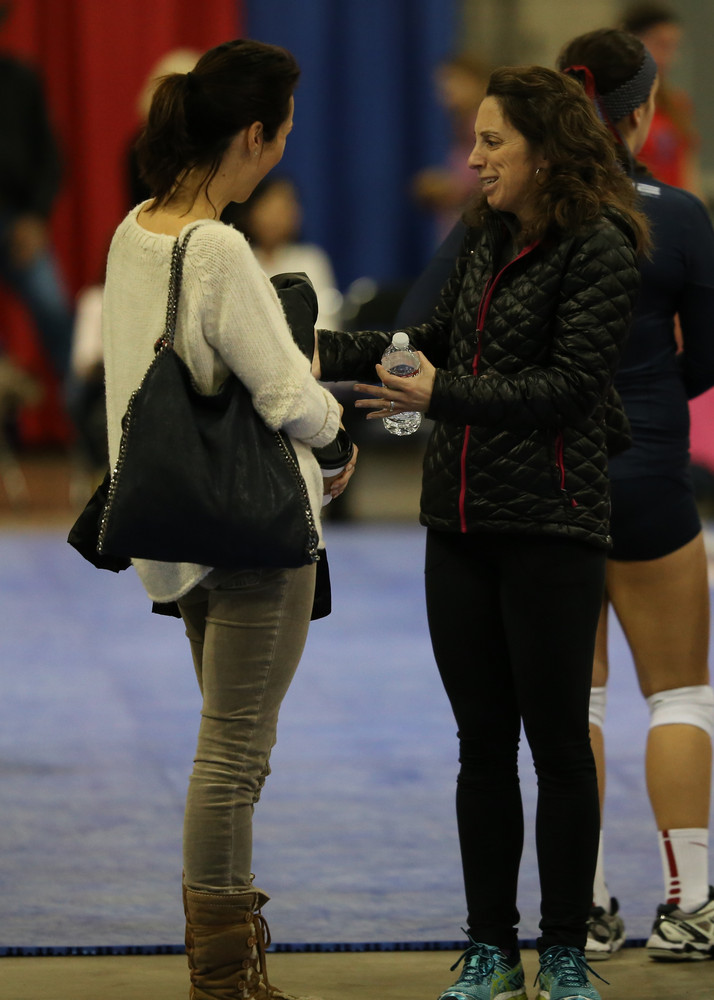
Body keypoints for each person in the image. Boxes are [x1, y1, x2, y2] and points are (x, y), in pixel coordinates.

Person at [316, 64, 647, 1000]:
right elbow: (419, 345)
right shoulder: (483, 232)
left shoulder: (603, 243)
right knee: (482, 748)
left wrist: (441, 394)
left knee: (560, 749)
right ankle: (492, 948)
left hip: (553, 526)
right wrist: (306, 347)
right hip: (458, 526)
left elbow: (568, 391)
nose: (473, 157)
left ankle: (567, 950)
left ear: (546, 149)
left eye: (493, 141)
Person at [101, 38, 355, 1000]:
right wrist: (338, 438)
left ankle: (227, 970)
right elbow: (288, 392)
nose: (283, 150)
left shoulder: (134, 229)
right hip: (250, 528)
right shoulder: (216, 247)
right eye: (283, 134)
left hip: (173, 527)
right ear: (254, 135)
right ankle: (222, 980)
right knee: (234, 758)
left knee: (229, 746)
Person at [557, 27, 714, 963]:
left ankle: (583, 908)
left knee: (573, 704)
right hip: (650, 476)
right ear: (644, 112)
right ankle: (689, 907)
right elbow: (712, 357)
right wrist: (655, 398)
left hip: (555, 483)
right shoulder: (681, 216)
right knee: (680, 695)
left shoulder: (525, 211)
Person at [0, 0, 74, 382]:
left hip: (18, 220)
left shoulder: (21, 81)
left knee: (54, 309)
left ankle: (88, 410)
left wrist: (35, 218)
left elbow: (50, 159)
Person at [222, 174, 343, 329]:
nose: (276, 218)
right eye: (269, 208)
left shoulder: (311, 260)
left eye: (284, 208)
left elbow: (325, 320)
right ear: (251, 212)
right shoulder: (237, 259)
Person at [619, 3, 702, 195]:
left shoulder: (677, 104)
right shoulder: (617, 107)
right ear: (632, 43)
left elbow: (688, 175)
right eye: (661, 45)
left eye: (673, 47)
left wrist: (696, 208)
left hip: (677, 207)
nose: (669, 58)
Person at [411, 53, 489, 242]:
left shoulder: (487, 127)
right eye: (441, 85)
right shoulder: (459, 127)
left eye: (453, 81)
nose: (446, 90)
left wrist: (449, 188)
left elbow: (492, 179)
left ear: (478, 82)